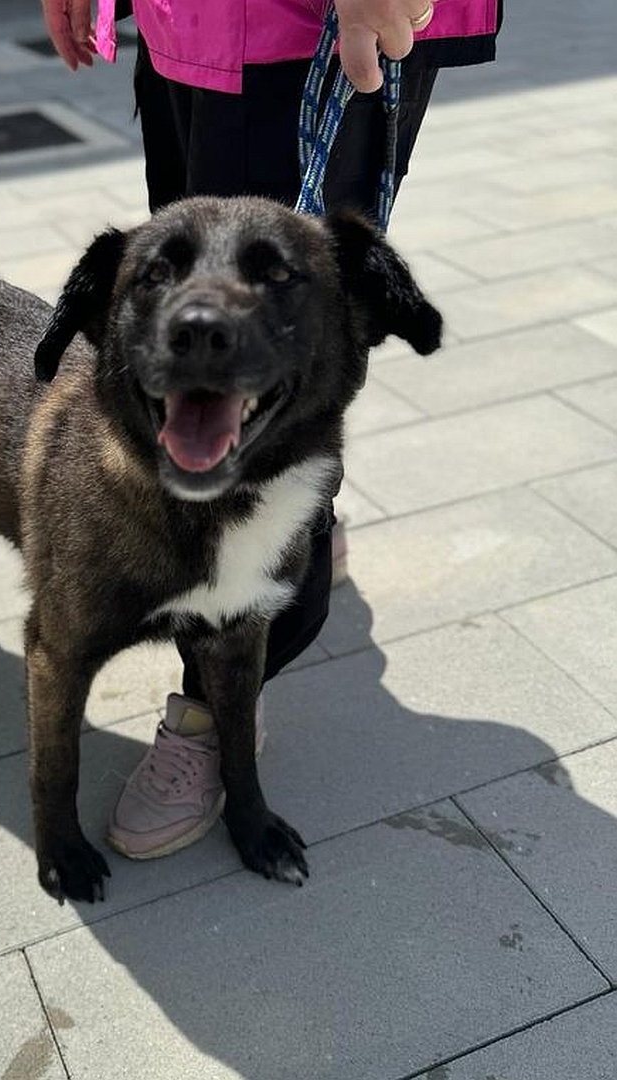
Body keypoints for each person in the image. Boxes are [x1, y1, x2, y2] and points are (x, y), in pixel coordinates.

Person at [40, 0, 500, 861]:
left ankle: (215, 709)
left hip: (310, 23)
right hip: (190, 27)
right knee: (195, 298)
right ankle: (284, 521)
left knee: (284, 325)